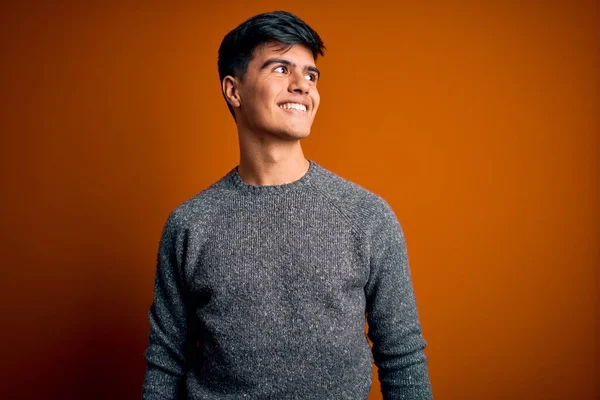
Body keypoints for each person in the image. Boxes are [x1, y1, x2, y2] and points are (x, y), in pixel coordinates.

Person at [142, 10, 432, 400]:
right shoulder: (191, 225)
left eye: (310, 75)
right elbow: (165, 361)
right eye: (281, 69)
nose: (303, 86)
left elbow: (402, 358)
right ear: (234, 90)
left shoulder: (367, 216)